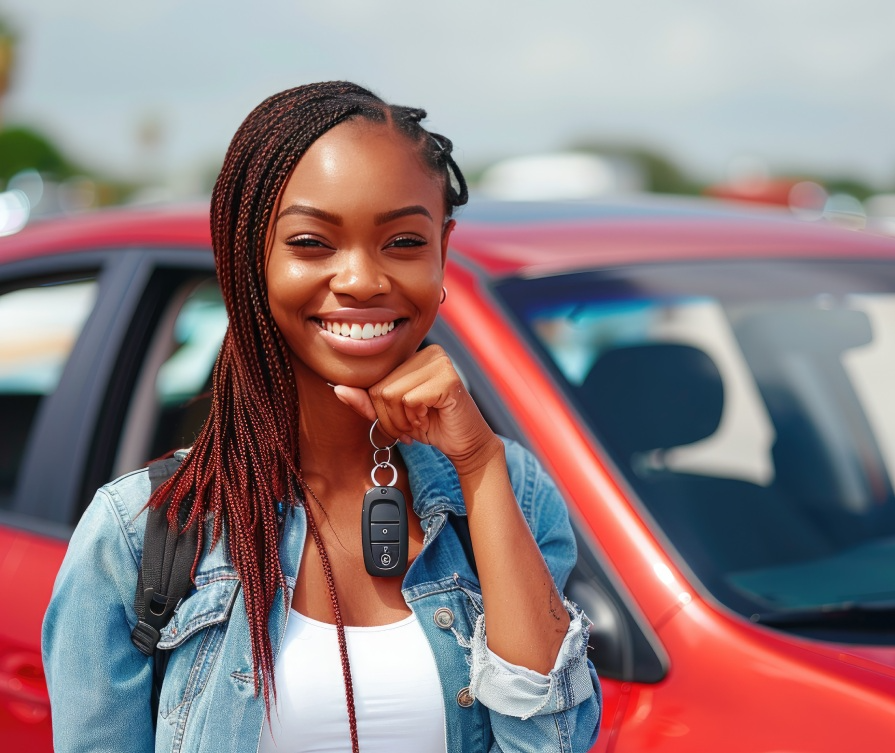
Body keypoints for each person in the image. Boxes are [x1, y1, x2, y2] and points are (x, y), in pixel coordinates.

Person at [42, 81, 601, 753]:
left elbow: (554, 743)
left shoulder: (513, 489)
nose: (362, 279)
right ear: (250, 257)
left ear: (443, 250)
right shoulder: (136, 536)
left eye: (402, 241)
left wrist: (479, 466)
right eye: (312, 242)